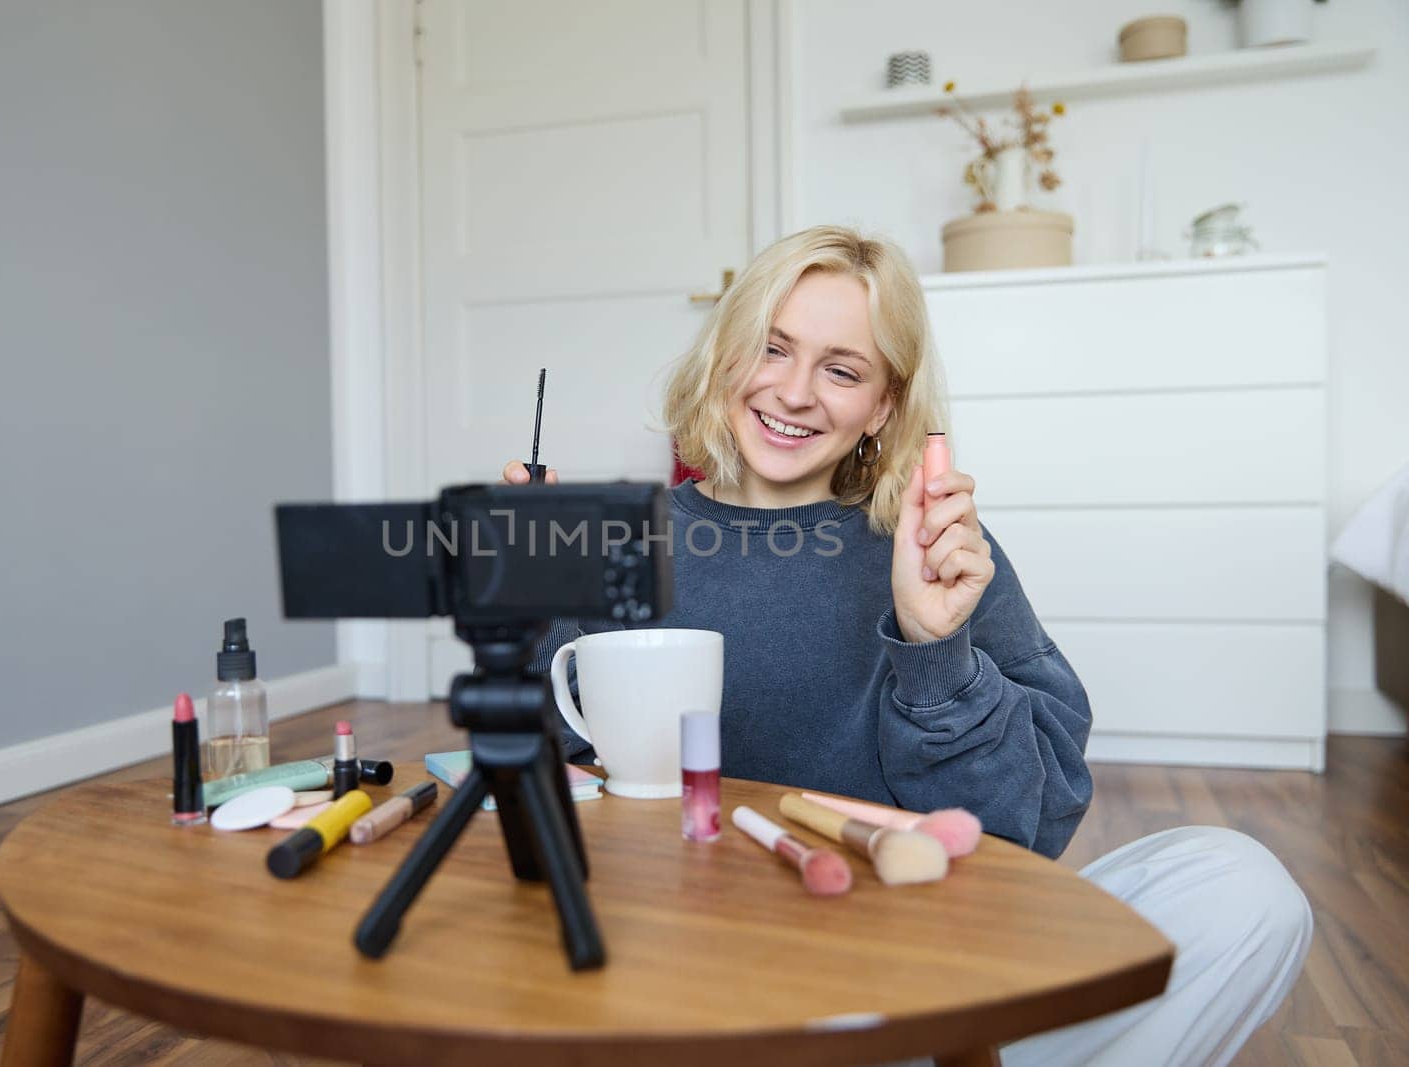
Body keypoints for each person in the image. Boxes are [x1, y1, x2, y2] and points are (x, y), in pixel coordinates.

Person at [501, 226, 1312, 1066]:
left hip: (920, 959)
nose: (796, 391)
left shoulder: (935, 546)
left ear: (884, 405)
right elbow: (553, 788)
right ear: (725, 354)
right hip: (694, 972)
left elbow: (1027, 827)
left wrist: (936, 653)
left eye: (842, 369)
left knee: (1242, 888)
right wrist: (525, 612)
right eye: (771, 349)